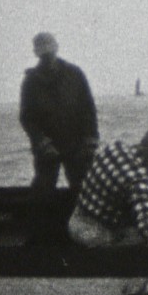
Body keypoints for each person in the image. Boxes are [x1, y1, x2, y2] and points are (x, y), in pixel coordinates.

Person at [67, 122, 148, 260]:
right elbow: (147, 223)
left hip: (76, 220)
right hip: (94, 235)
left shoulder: (115, 147)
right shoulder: (137, 179)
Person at [20, 32, 99, 197]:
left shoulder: (75, 74)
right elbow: (27, 117)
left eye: (50, 46)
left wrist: (91, 139)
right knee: (42, 190)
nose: (47, 52)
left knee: (84, 189)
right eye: (42, 49)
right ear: (35, 52)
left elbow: (88, 108)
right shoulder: (31, 81)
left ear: (57, 47)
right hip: (47, 148)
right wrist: (41, 142)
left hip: (77, 145)